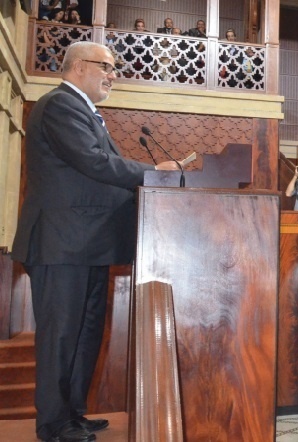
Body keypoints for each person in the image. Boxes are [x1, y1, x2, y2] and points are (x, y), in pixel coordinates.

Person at [11, 41, 178, 442]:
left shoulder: (85, 111)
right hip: (61, 244)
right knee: (61, 335)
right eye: (107, 66)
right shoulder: (60, 105)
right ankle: (52, 424)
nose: (112, 74)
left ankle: (72, 414)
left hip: (86, 244)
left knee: (84, 335)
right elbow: (93, 162)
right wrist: (153, 173)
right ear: (80, 66)